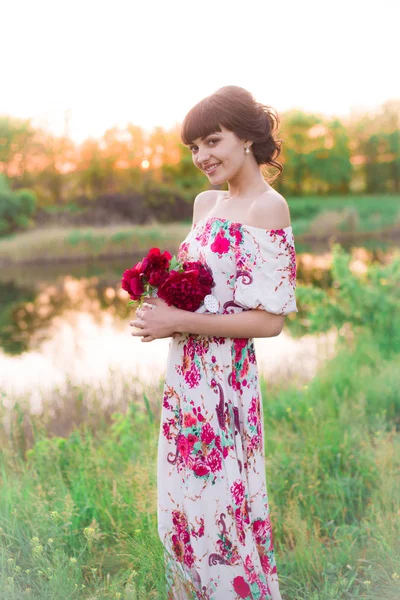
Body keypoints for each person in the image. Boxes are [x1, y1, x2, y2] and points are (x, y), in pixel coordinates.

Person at [130, 85, 298, 600]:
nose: (202, 157)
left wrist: (177, 317)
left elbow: (270, 322)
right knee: (186, 508)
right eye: (193, 148)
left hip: (225, 384)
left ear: (247, 138)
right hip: (186, 377)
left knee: (222, 510)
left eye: (211, 141)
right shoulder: (206, 204)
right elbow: (201, 287)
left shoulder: (268, 208)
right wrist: (159, 297)